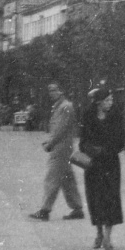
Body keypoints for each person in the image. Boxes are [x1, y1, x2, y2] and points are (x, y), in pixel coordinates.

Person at [29, 82, 85, 222]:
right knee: (67, 179)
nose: (51, 93)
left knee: (52, 179)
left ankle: (45, 210)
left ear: (61, 91)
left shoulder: (65, 107)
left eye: (54, 90)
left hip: (61, 149)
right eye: (50, 91)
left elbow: (61, 129)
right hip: (63, 148)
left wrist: (50, 144)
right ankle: (77, 208)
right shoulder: (61, 106)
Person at [79, 87, 125, 250]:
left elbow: (121, 141)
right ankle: (98, 232)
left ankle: (107, 237)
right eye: (107, 100)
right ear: (98, 102)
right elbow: (82, 141)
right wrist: (92, 150)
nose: (110, 103)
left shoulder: (116, 116)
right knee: (95, 199)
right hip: (93, 165)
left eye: (111, 100)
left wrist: (107, 151)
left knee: (111, 198)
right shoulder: (87, 116)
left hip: (110, 163)